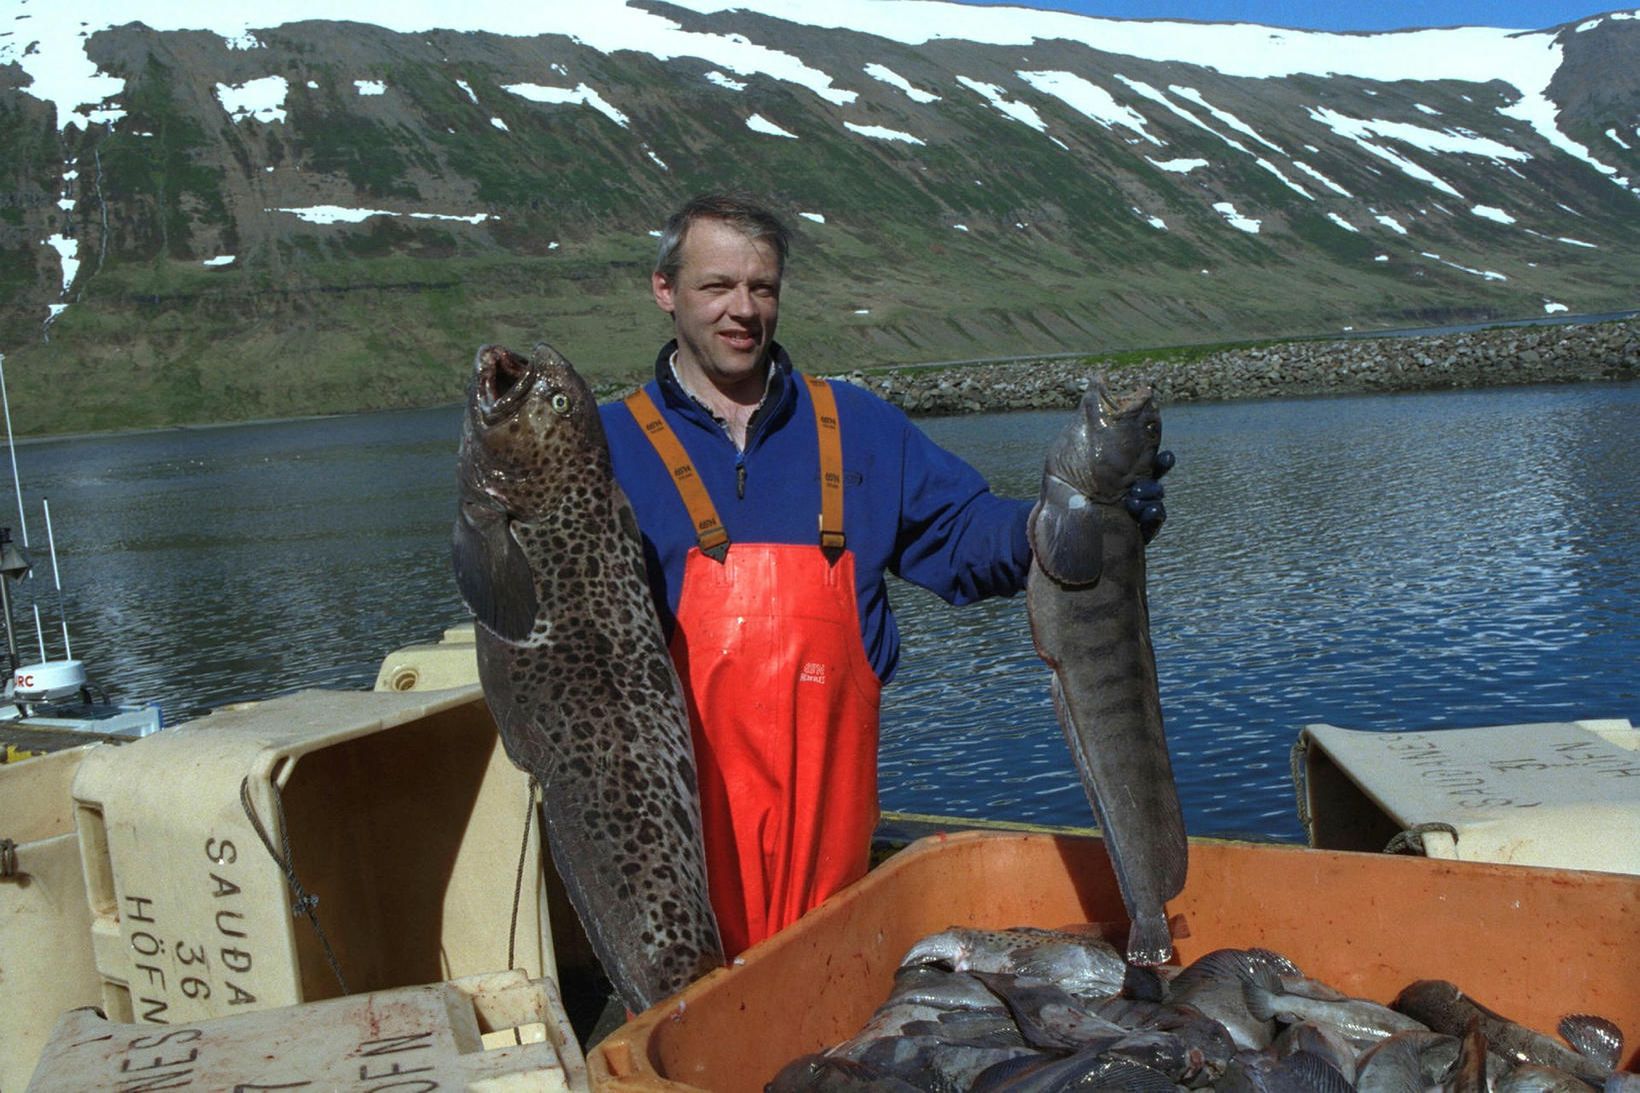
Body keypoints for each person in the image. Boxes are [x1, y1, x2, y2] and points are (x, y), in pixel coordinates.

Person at [599, 192, 1166, 957]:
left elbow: (966, 538)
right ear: (664, 290)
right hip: (672, 852)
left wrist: (1081, 520)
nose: (743, 310)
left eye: (762, 287)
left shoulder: (856, 428)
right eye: (717, 286)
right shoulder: (604, 446)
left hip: (831, 859)